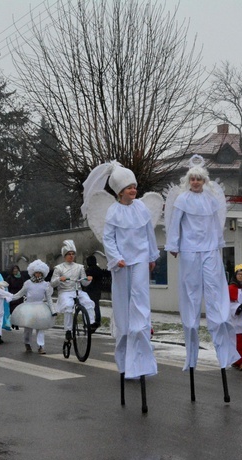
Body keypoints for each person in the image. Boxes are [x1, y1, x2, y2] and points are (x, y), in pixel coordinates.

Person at [164, 154, 239, 401]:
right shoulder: (183, 200)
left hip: (209, 250)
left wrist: (218, 244)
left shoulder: (210, 200)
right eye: (193, 179)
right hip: (188, 251)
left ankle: (224, 345)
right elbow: (175, 224)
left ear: (204, 181)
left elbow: (217, 225)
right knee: (191, 294)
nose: (196, 182)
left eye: (199, 179)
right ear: (189, 180)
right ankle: (191, 347)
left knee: (216, 294)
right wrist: (173, 244)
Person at [89, 161, 161, 413]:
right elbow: (108, 237)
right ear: (120, 191)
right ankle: (124, 344)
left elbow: (149, 234)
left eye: (134, 187)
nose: (133, 190)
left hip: (140, 259)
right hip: (121, 263)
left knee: (140, 300)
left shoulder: (141, 208)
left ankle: (141, 337)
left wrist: (152, 256)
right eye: (129, 187)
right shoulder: (113, 212)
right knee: (123, 305)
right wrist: (114, 256)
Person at [51, 240, 95, 344]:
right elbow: (52, 283)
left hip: (77, 291)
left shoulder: (79, 267)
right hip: (65, 292)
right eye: (69, 254)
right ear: (64, 256)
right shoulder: (59, 268)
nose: (71, 256)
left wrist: (88, 280)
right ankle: (68, 330)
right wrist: (59, 279)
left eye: (73, 254)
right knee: (68, 305)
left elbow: (84, 283)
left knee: (87, 301)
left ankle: (90, 323)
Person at [10, 259, 55, 354]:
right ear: (33, 273)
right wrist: (8, 297)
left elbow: (49, 299)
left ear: (43, 273)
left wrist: (53, 310)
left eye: (40, 273)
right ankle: (27, 343)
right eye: (36, 273)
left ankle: (41, 346)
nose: (38, 275)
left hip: (41, 307)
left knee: (41, 327)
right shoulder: (28, 283)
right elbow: (19, 294)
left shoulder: (45, 285)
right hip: (29, 307)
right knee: (28, 327)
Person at [84, 255, 106, 332]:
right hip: (97, 291)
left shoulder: (88, 271)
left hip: (89, 291)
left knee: (88, 307)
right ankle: (97, 320)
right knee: (96, 306)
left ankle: (89, 321)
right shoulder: (99, 270)